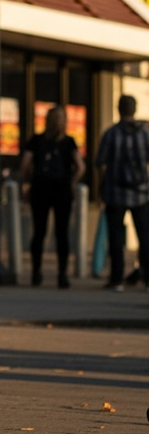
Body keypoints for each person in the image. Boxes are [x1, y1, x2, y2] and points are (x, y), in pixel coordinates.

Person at [19, 105, 85, 288]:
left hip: (40, 188)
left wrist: (26, 183)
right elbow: (80, 167)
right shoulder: (68, 142)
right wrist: (71, 182)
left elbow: (25, 165)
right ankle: (62, 275)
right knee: (61, 232)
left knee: (39, 231)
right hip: (62, 190)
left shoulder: (37, 140)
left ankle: (36, 273)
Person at [95, 94, 149, 291]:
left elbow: (100, 162)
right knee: (145, 237)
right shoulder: (144, 134)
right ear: (134, 110)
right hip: (141, 193)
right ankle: (147, 277)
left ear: (119, 109)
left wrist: (100, 188)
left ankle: (117, 278)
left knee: (116, 237)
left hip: (115, 192)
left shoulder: (111, 134)